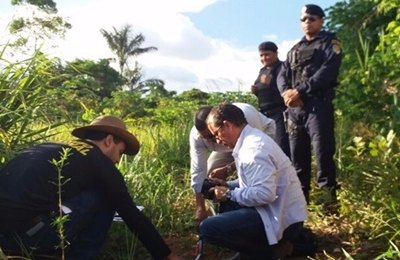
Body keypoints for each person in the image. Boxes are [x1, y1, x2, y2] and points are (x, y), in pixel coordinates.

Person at [0, 115, 180, 260]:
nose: (118, 160)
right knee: (106, 198)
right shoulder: (99, 162)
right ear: (109, 140)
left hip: (4, 238)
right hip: (29, 237)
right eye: (120, 152)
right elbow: (131, 214)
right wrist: (165, 254)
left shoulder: (53, 147)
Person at [199, 103, 308, 259]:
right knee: (225, 206)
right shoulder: (250, 139)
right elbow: (256, 181)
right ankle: (259, 248)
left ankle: (268, 251)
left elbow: (265, 194)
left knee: (209, 228)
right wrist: (228, 185)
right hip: (280, 212)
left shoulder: (253, 150)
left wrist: (229, 194)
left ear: (227, 125)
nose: (217, 140)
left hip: (284, 221)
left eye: (216, 134)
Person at [277, 4, 342, 208]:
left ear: (321, 21)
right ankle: (300, 207)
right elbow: (282, 75)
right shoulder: (294, 49)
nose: (307, 22)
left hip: (318, 107)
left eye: (312, 18)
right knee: (298, 161)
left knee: (323, 156)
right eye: (303, 19)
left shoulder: (329, 43)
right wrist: (286, 93)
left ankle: (328, 206)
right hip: (295, 110)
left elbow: (328, 71)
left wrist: (300, 91)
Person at [190, 102, 276, 225]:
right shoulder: (198, 136)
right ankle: (221, 210)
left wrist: (228, 169)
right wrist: (200, 207)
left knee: (251, 176)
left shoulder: (248, 118)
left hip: (261, 135)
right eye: (205, 138)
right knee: (210, 175)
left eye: (211, 135)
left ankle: (253, 211)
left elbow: (252, 153)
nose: (210, 140)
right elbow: (198, 170)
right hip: (229, 144)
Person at [251, 41, 290, 157]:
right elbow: (262, 91)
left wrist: (271, 84)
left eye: (267, 54)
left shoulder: (283, 68)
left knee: (281, 146)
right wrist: (255, 91)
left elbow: (286, 91)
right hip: (263, 114)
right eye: (261, 55)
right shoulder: (262, 71)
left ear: (276, 54)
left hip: (279, 113)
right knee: (264, 147)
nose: (264, 58)